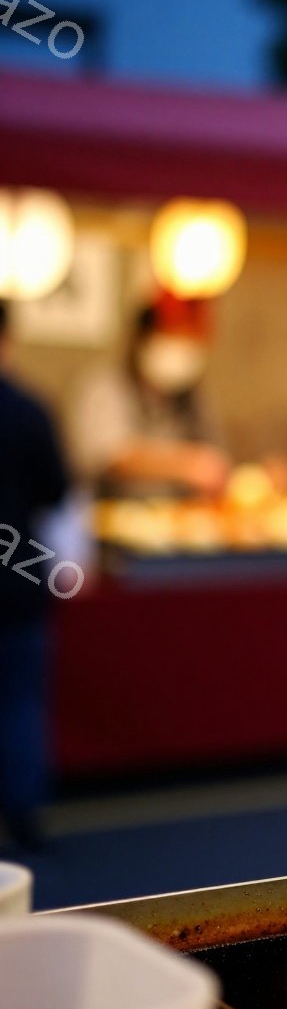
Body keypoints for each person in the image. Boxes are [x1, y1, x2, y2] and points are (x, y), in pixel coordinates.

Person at [0, 302, 71, 849]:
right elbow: (56, 490)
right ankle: (25, 819)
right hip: (19, 574)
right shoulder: (29, 410)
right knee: (21, 704)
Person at [69, 305, 229, 497]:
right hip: (109, 516)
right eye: (174, 339)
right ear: (143, 340)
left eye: (190, 343)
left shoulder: (192, 396)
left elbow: (215, 458)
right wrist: (185, 465)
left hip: (178, 519)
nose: (182, 352)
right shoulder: (106, 386)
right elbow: (112, 457)